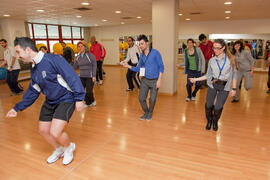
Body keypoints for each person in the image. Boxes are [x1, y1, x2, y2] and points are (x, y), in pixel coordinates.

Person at [6, 37, 85, 165]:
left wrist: (79, 98)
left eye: (18, 52)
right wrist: (17, 108)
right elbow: (33, 91)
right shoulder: (34, 68)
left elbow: (72, 76)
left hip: (66, 98)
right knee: (43, 130)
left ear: (27, 49)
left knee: (55, 132)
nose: (18, 56)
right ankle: (59, 149)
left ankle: (68, 147)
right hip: (50, 100)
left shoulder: (53, 60)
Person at [189, 39, 237, 131]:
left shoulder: (230, 60)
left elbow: (235, 74)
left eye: (218, 48)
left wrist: (234, 88)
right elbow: (208, 75)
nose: (215, 50)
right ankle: (209, 121)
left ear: (223, 48)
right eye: (214, 48)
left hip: (224, 86)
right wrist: (196, 79)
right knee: (208, 105)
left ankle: (215, 121)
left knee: (218, 106)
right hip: (212, 85)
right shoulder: (212, 60)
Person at [123, 34, 164, 121]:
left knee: (152, 99)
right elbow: (139, 68)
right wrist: (128, 66)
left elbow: (161, 67)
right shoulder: (141, 55)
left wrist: (159, 80)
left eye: (142, 44)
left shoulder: (155, 53)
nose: (140, 46)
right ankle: (146, 112)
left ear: (147, 43)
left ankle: (150, 112)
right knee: (141, 98)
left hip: (155, 80)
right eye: (139, 44)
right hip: (145, 80)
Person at [73, 41, 97, 107]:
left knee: (89, 91)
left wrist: (94, 76)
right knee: (81, 90)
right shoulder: (78, 56)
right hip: (82, 76)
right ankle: (90, 101)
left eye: (81, 46)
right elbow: (75, 66)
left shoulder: (89, 55)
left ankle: (89, 101)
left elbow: (94, 65)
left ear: (85, 47)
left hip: (90, 76)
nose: (80, 48)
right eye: (79, 46)